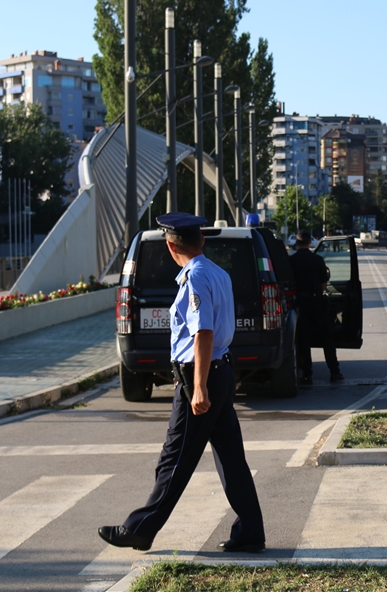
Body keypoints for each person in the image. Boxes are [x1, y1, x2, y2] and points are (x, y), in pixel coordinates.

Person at [98, 213, 265, 554]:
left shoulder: (196, 279)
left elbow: (203, 332)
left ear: (171, 246)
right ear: (201, 241)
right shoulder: (217, 273)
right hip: (219, 372)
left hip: (200, 377)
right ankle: (250, 531)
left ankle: (140, 529)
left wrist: (198, 386)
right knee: (231, 459)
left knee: (174, 458)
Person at [289, 230, 344, 385]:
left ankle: (307, 374)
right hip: (317, 304)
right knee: (327, 339)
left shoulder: (291, 261)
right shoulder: (318, 260)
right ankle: (335, 372)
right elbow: (324, 283)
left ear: (297, 243)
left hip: (300, 304)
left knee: (304, 340)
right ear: (309, 242)